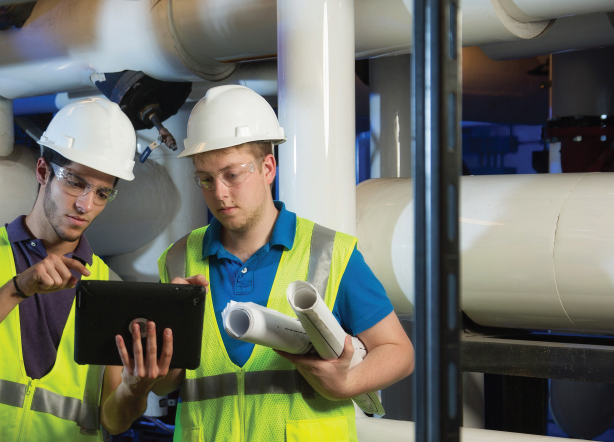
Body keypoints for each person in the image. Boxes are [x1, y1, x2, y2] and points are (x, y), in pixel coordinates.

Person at [101, 85, 415, 440]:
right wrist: (150, 368)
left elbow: (399, 352)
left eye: (232, 175)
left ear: (268, 168)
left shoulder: (329, 252)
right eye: (205, 179)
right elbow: (169, 383)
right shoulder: (178, 259)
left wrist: (348, 382)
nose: (218, 193)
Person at [0, 97, 154, 441]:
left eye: (102, 193)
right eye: (75, 182)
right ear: (42, 171)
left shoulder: (107, 287)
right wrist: (16, 289)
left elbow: (112, 421)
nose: (86, 204)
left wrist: (135, 390)